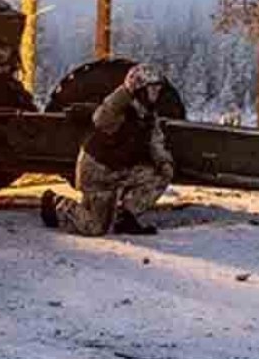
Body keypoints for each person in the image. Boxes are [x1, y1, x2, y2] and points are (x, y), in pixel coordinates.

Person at [40, 63, 173, 237]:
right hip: (96, 174)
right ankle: (56, 204)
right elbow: (100, 118)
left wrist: (164, 161)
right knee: (95, 228)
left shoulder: (148, 115)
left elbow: (156, 141)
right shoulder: (118, 110)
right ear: (139, 89)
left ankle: (126, 217)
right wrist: (124, 93)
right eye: (152, 89)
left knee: (159, 174)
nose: (156, 93)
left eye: (157, 89)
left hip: (119, 170)